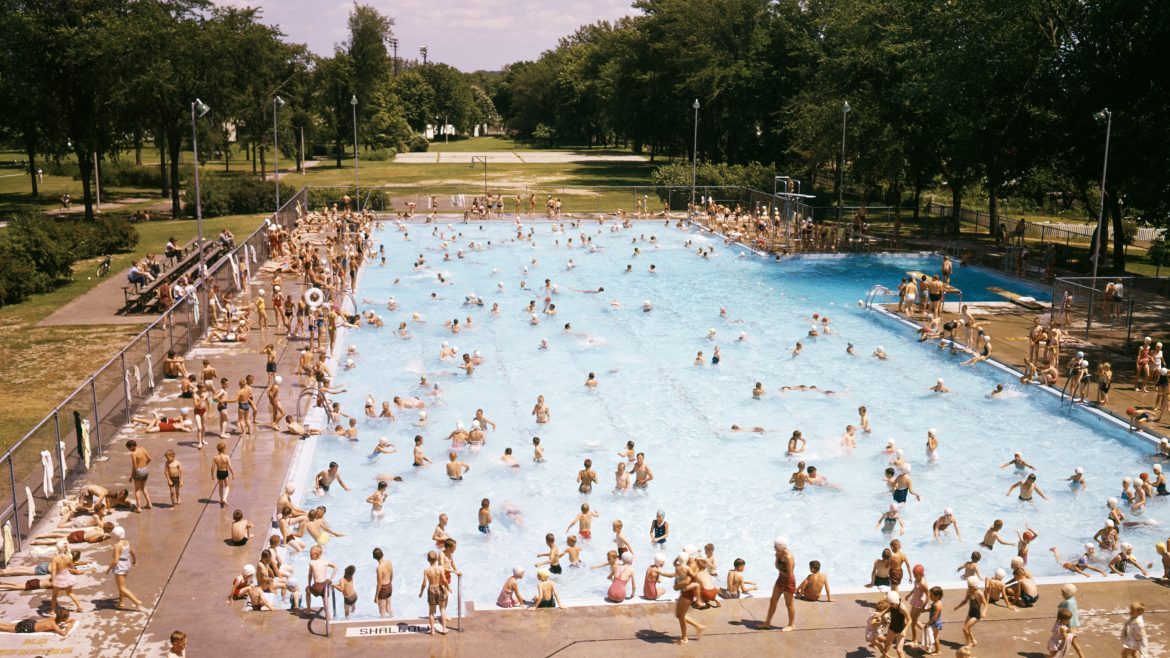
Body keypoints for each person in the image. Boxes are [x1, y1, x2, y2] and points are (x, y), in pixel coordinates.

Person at [106, 526, 143, 610]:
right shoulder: (127, 542)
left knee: (122, 587)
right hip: (127, 563)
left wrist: (109, 569)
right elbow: (132, 552)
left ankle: (137, 602)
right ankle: (121, 602)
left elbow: (115, 561)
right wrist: (134, 560)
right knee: (121, 584)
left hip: (120, 566)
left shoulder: (117, 546)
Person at [763, 537, 796, 631]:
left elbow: (789, 575)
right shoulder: (779, 553)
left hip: (788, 582)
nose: (774, 547)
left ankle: (791, 625)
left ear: (780, 547)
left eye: (775, 546)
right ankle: (767, 623)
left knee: (789, 604)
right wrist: (777, 558)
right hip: (780, 580)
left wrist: (779, 569)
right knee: (772, 601)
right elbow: (776, 565)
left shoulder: (788, 557)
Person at [419, 551, 450, 634]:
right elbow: (444, 580)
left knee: (431, 612)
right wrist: (448, 588)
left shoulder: (426, 570)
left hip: (431, 589)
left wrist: (421, 593)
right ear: (436, 559)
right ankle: (444, 629)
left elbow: (424, 583)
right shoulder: (440, 568)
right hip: (439, 588)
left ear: (428, 560)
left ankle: (432, 630)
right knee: (442, 609)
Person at [954, 576, 985, 649]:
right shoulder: (968, 591)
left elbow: (985, 603)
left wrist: (984, 611)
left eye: (970, 586)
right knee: (967, 628)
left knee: (965, 628)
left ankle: (968, 644)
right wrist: (958, 607)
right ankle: (973, 640)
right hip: (970, 612)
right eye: (968, 586)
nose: (969, 587)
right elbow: (965, 601)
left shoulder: (979, 593)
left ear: (974, 586)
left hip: (976, 614)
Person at [0, 609, 72, 636]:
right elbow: (63, 634)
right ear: (63, 619)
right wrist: (68, 628)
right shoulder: (54, 625)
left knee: (8, 625)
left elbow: (72, 620)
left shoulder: (53, 618)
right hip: (29, 627)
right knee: (6, 629)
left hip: (30, 622)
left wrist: (69, 622)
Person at [126, 440, 152, 512]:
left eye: (129, 448)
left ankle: (138, 508)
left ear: (131, 447)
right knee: (143, 487)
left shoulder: (133, 454)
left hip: (139, 471)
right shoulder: (143, 449)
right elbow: (149, 459)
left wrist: (131, 477)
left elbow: (134, 466)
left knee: (137, 490)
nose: (129, 450)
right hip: (145, 469)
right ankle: (149, 503)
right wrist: (145, 465)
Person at [211, 442, 234, 508]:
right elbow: (230, 466)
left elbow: (212, 467)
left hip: (219, 472)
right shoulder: (227, 457)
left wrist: (212, 475)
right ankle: (224, 498)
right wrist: (233, 473)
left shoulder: (215, 457)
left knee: (220, 486)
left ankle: (221, 499)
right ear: (224, 449)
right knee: (227, 486)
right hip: (225, 472)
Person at [373, 547, 394, 617]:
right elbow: (392, 574)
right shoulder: (389, 562)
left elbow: (379, 584)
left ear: (374, 557)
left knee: (382, 612)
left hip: (383, 589)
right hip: (389, 586)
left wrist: (376, 596)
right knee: (389, 608)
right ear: (383, 554)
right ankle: (393, 619)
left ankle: (383, 622)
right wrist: (390, 583)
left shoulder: (379, 568)